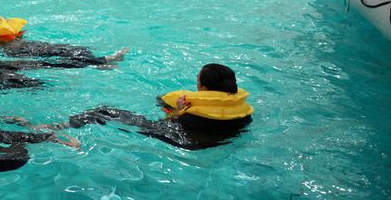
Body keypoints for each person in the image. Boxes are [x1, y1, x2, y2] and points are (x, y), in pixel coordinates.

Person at [62, 63, 254, 150]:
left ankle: (61, 128)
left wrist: (178, 111)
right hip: (213, 143)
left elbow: (172, 124)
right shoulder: (244, 114)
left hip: (185, 141)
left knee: (103, 111)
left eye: (197, 79)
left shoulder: (190, 115)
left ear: (203, 87)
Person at [0, 1, 128, 67]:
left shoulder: (1, 23)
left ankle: (97, 60)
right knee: (58, 61)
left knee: (63, 49)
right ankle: (103, 62)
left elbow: (14, 35)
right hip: (17, 52)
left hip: (27, 45)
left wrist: (18, 34)